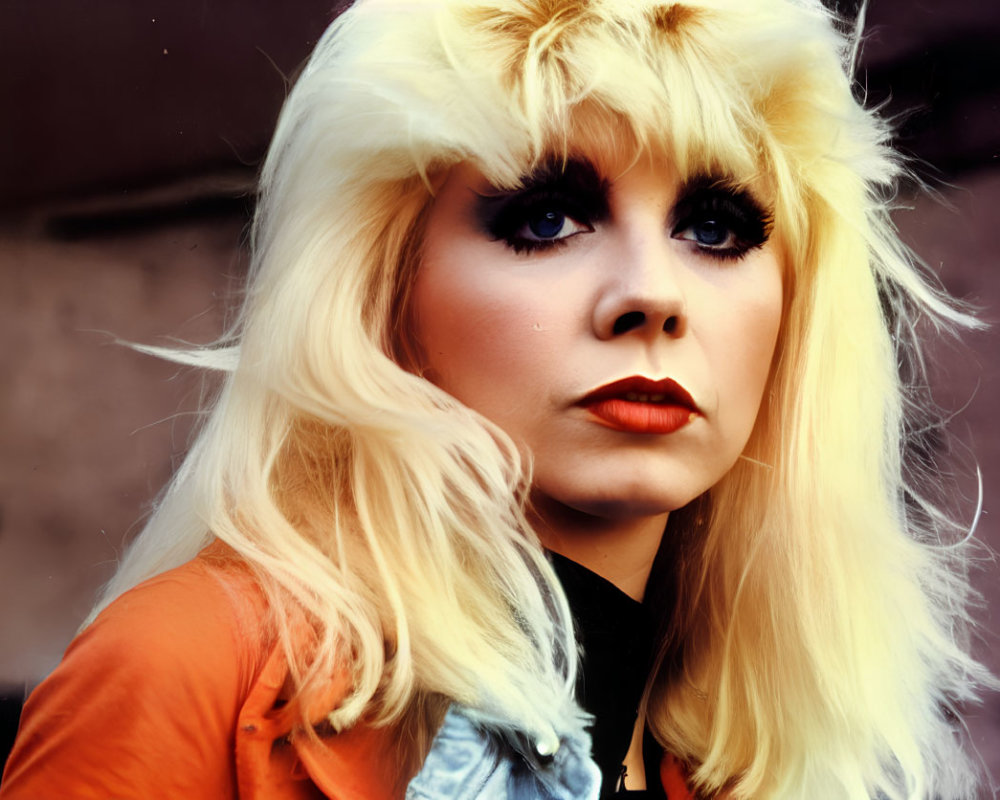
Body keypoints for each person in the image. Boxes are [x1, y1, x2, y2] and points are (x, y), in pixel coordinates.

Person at [0, 0, 992, 797]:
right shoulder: (178, 671)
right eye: (546, 215)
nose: (648, 292)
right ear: (388, 289)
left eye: (716, 223)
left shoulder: (741, 761)